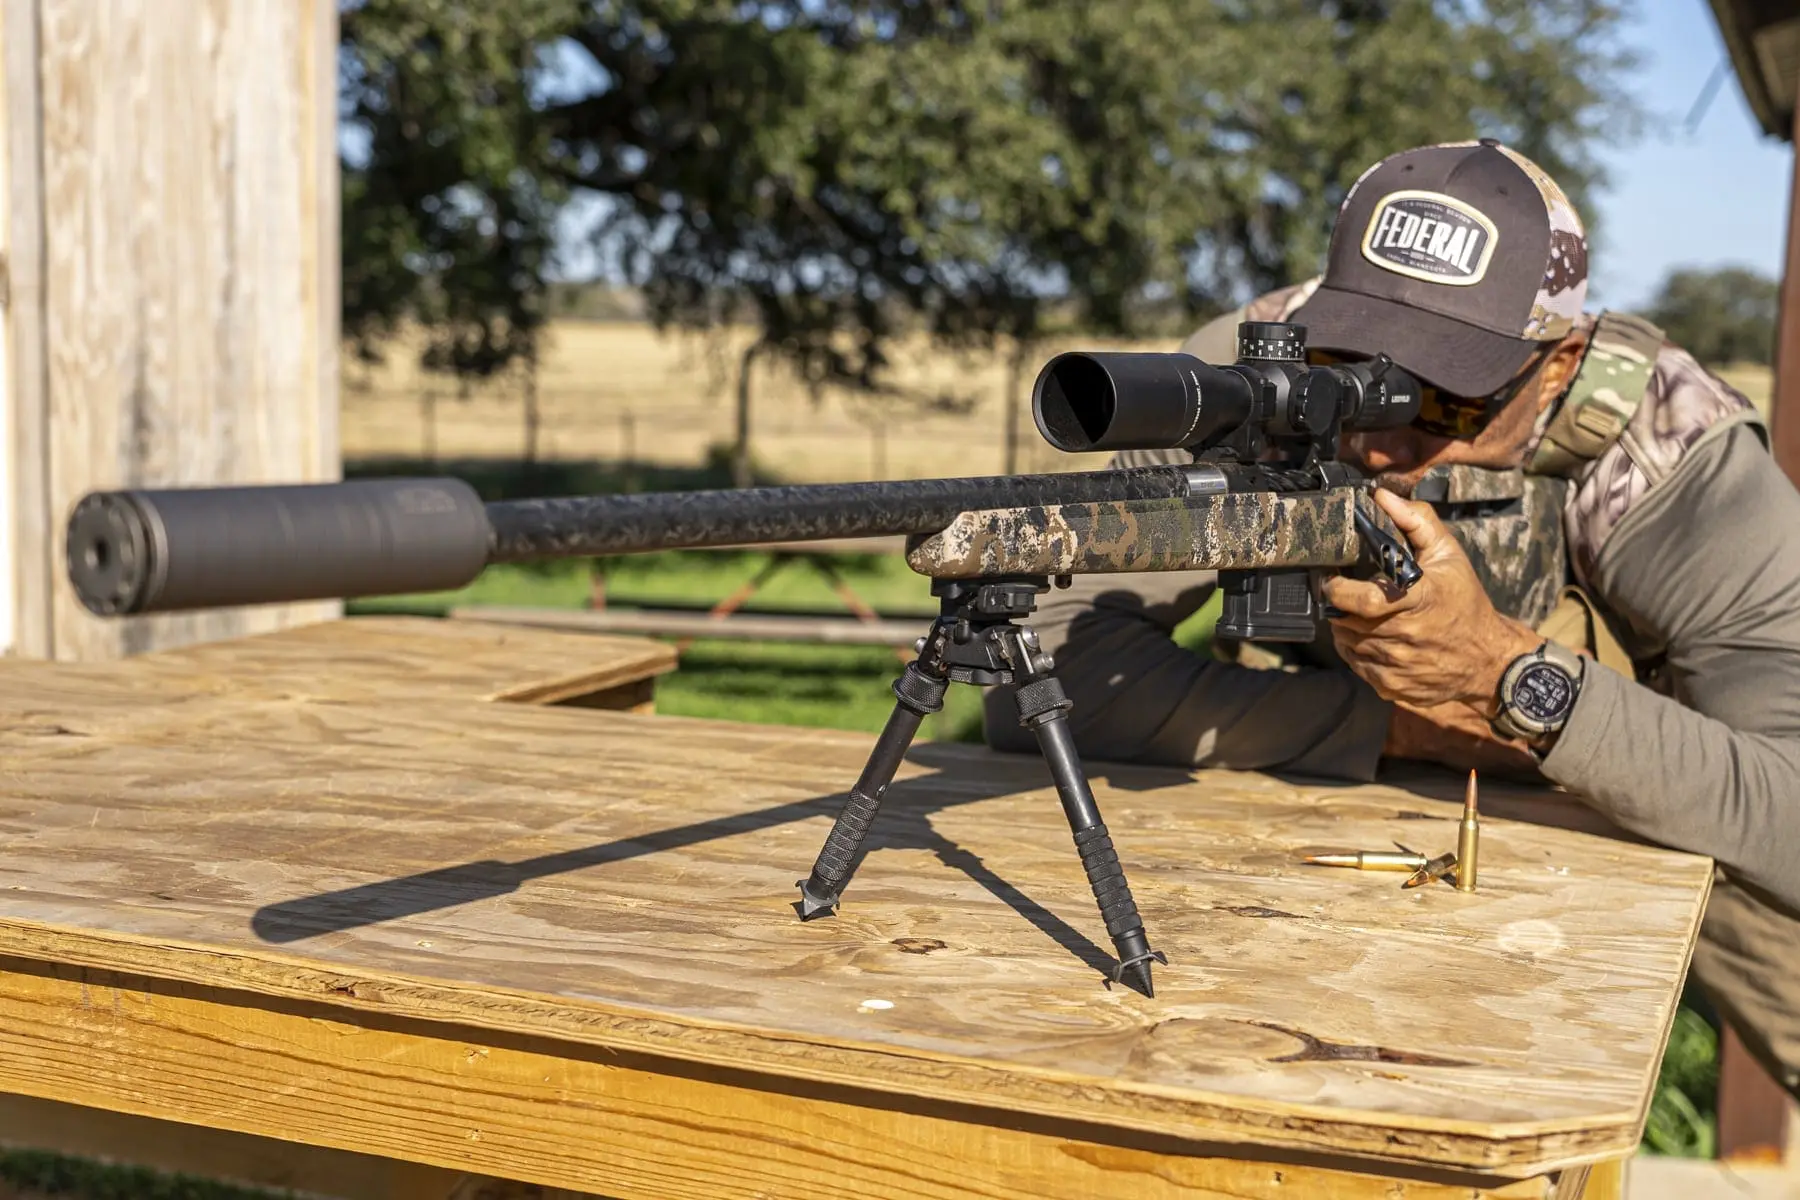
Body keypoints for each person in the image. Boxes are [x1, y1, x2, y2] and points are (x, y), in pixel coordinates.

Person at [984, 139, 1800, 1099]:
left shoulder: (1667, 447)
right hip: (1326, 805)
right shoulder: (1246, 372)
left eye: (1446, 399)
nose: (1383, 437)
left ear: (1559, 364)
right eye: (1353, 369)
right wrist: (1401, 724)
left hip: (1627, 795)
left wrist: (1503, 678)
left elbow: (1785, 811)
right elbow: (1028, 671)